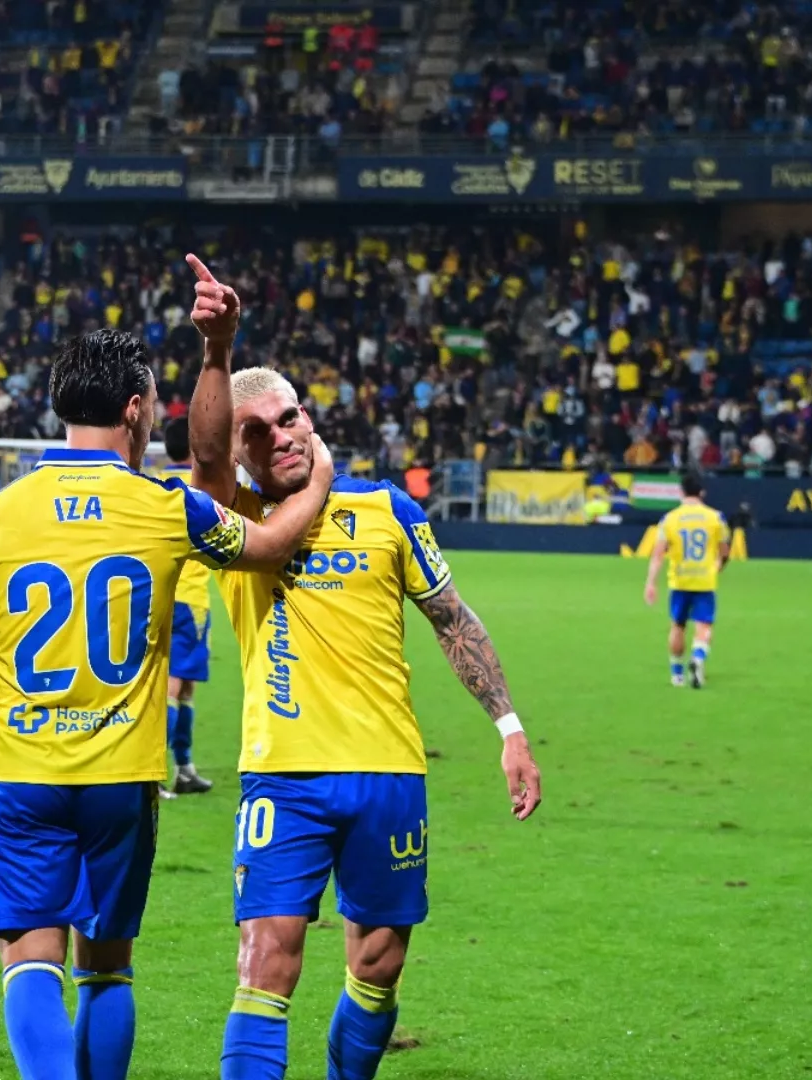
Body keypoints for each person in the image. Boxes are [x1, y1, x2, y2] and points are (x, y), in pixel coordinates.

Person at [0, 325, 333, 1080]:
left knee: (28, 960)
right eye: (152, 405)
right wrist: (317, 482)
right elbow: (269, 544)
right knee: (108, 968)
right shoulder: (168, 507)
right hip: (122, 779)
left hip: (23, 774)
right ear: (133, 410)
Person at [182, 253, 543, 1080]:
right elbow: (203, 464)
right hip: (284, 776)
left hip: (389, 773)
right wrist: (216, 353)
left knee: (377, 966)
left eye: (292, 416)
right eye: (259, 432)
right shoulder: (235, 518)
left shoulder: (388, 511)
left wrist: (510, 727)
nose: (285, 434)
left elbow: (452, 619)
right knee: (266, 963)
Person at [158, 416, 216, 797]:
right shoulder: (203, 489)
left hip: (164, 597)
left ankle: (184, 768)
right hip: (188, 601)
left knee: (184, 688)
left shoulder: (157, 484)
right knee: (173, 688)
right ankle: (152, 773)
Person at [643, 473, 730, 689]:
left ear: (681, 492)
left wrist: (651, 582)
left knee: (678, 626)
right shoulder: (716, 518)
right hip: (705, 581)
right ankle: (698, 657)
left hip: (680, 581)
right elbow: (725, 552)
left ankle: (677, 674)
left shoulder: (669, 519)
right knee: (704, 625)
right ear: (702, 493)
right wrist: (718, 567)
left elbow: (657, 555)